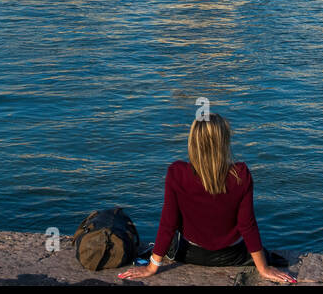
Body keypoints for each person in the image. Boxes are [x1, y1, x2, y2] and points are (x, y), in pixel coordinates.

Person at [119, 114, 295, 284]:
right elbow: (247, 225)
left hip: (188, 253)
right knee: (268, 254)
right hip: (232, 255)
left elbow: (169, 223)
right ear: (224, 142)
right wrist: (263, 268)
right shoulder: (240, 175)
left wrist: (152, 266)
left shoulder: (177, 173)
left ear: (193, 142)